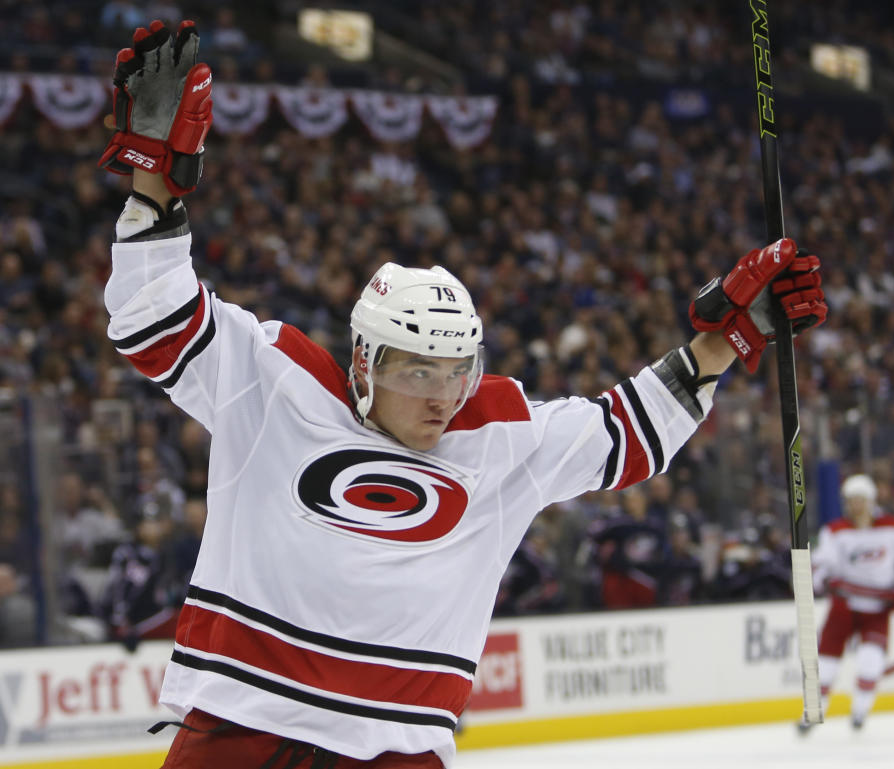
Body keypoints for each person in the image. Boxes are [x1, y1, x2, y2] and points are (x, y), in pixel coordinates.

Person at [98, 20, 827, 769]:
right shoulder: (277, 382)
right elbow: (153, 316)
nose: (444, 394)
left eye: (458, 370)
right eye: (418, 370)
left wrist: (730, 338)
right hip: (240, 729)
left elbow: (626, 435)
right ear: (364, 363)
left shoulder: (500, 437)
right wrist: (154, 181)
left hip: (395, 751)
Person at [798, 474, 894, 734]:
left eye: (861, 500)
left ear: (872, 500)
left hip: (878, 609)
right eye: (852, 501)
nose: (857, 506)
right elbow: (821, 566)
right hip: (844, 606)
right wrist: (820, 581)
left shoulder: (893, 526)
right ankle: (813, 712)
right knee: (827, 663)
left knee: (871, 662)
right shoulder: (835, 530)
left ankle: (859, 712)